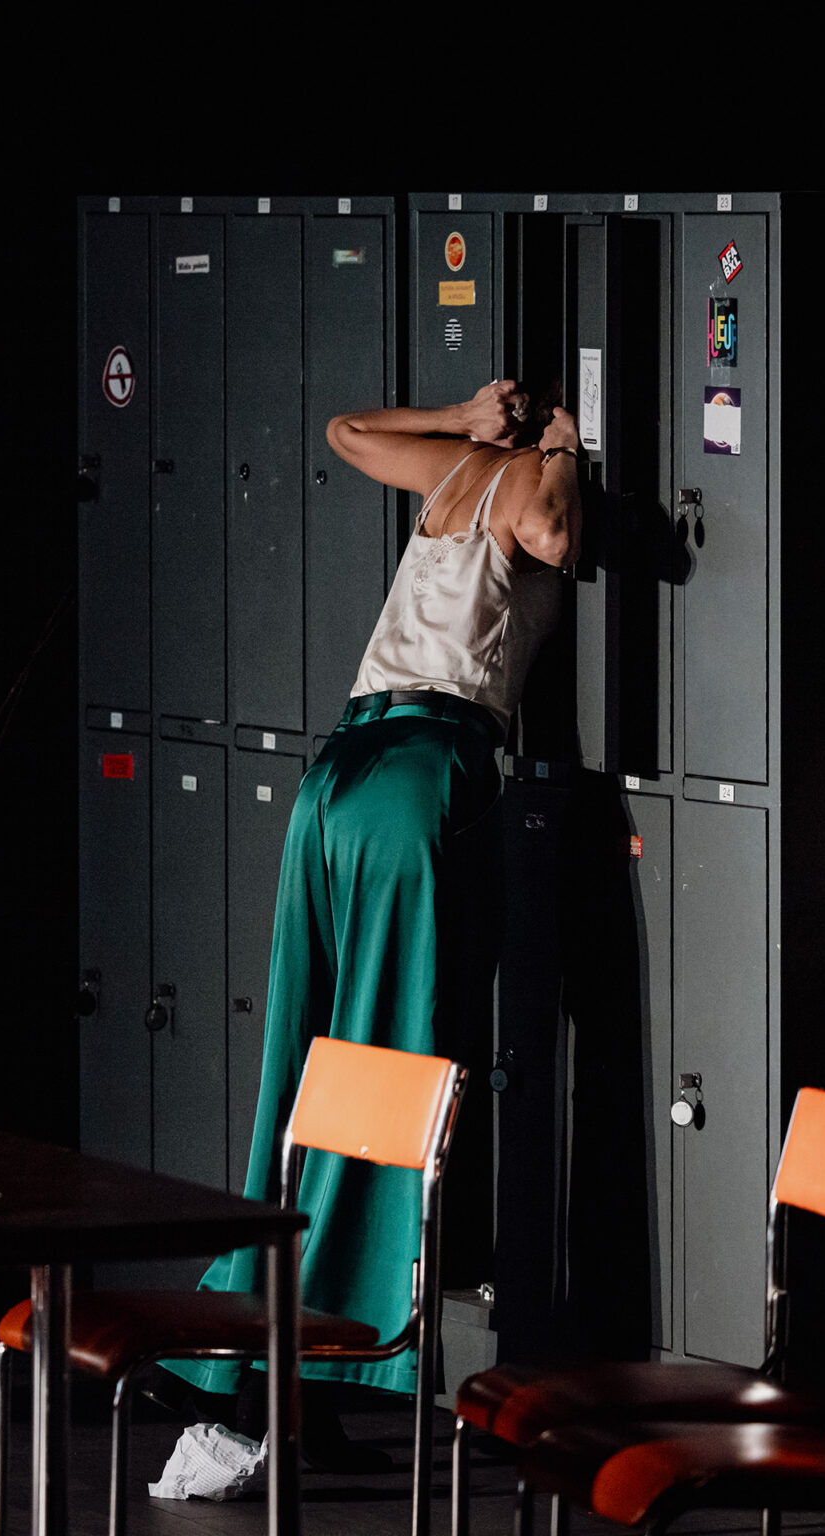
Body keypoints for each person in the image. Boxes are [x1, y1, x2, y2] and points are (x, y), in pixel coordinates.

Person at [154, 379, 581, 1463]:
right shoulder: (530, 478)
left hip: (332, 776)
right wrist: (570, 447)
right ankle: (306, 1376)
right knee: (389, 1073)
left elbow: (345, 431)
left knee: (307, 1071)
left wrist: (457, 419)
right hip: (418, 773)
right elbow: (552, 531)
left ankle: (269, 1376)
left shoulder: (451, 470)